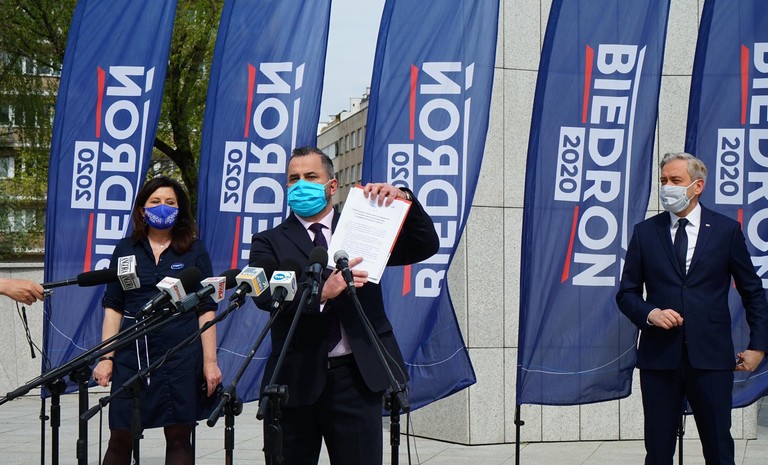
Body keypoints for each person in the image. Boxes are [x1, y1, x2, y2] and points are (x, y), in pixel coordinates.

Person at [249, 146, 439, 465]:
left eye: (311, 176)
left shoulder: (365, 226)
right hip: (294, 380)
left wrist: (404, 198)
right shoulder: (269, 241)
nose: (301, 184)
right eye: (294, 179)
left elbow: (424, 245)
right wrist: (321, 293)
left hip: (356, 378)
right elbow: (264, 294)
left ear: (332, 185)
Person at [616, 152, 768, 465]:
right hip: (660, 359)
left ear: (697, 186)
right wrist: (651, 314)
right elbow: (626, 294)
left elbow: (753, 292)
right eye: (663, 181)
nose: (667, 187)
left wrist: (758, 347)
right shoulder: (645, 232)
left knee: (719, 448)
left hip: (711, 358)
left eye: (675, 180)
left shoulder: (726, 230)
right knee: (658, 451)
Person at [92, 176, 222, 465]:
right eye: (155, 201)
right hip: (132, 354)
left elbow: (206, 307)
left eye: (170, 202)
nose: (163, 207)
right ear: (142, 209)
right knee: (120, 436)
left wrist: (210, 362)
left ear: (179, 209)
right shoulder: (125, 249)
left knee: (179, 436)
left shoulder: (195, 250)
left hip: (180, 353)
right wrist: (106, 358)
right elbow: (113, 307)